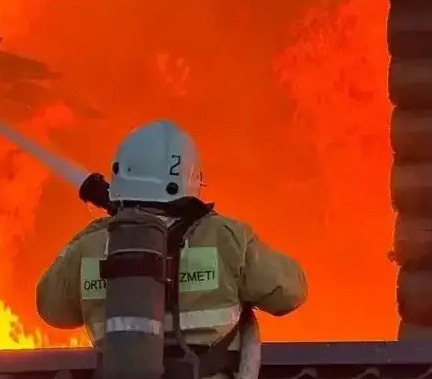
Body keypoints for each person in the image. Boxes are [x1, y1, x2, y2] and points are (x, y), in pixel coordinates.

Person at [36, 119, 307, 378]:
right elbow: (291, 292)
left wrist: (93, 233)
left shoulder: (90, 245)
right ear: (190, 178)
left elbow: (52, 309)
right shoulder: (226, 237)